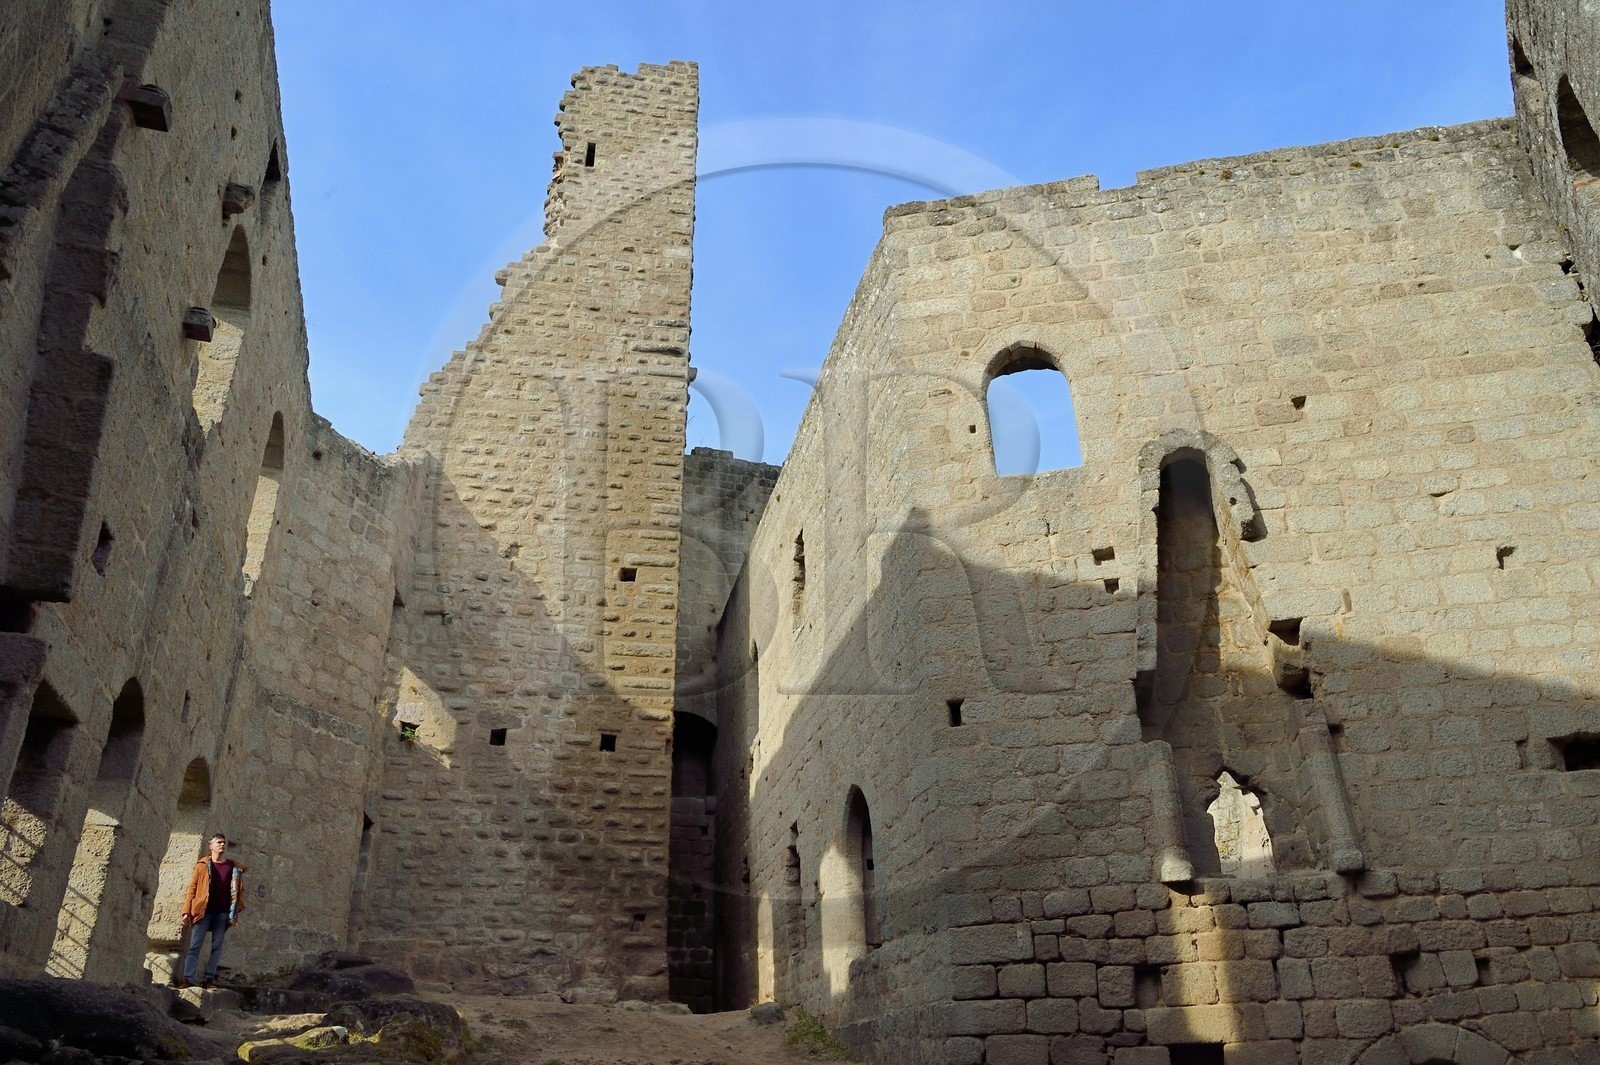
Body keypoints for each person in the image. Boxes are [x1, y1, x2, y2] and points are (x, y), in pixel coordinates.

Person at [176, 833, 245, 989]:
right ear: (211, 846)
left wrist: (235, 910)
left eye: (224, 842)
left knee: (216, 947)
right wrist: (186, 911)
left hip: (222, 913)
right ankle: (188, 979)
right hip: (203, 911)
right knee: (195, 946)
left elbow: (238, 890)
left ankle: (208, 979)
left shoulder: (233, 867)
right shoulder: (202, 865)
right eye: (219, 842)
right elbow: (192, 888)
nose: (222, 845)